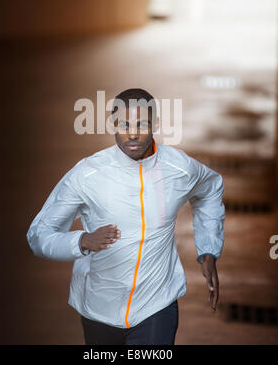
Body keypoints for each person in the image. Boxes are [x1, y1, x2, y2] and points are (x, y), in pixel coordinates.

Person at [26, 88, 225, 345]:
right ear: (113, 124)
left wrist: (208, 249)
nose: (132, 133)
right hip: (99, 310)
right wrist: (81, 241)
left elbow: (210, 188)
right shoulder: (87, 175)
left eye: (142, 125)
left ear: (155, 125)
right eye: (124, 124)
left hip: (156, 306)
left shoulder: (178, 168)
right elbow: (39, 235)